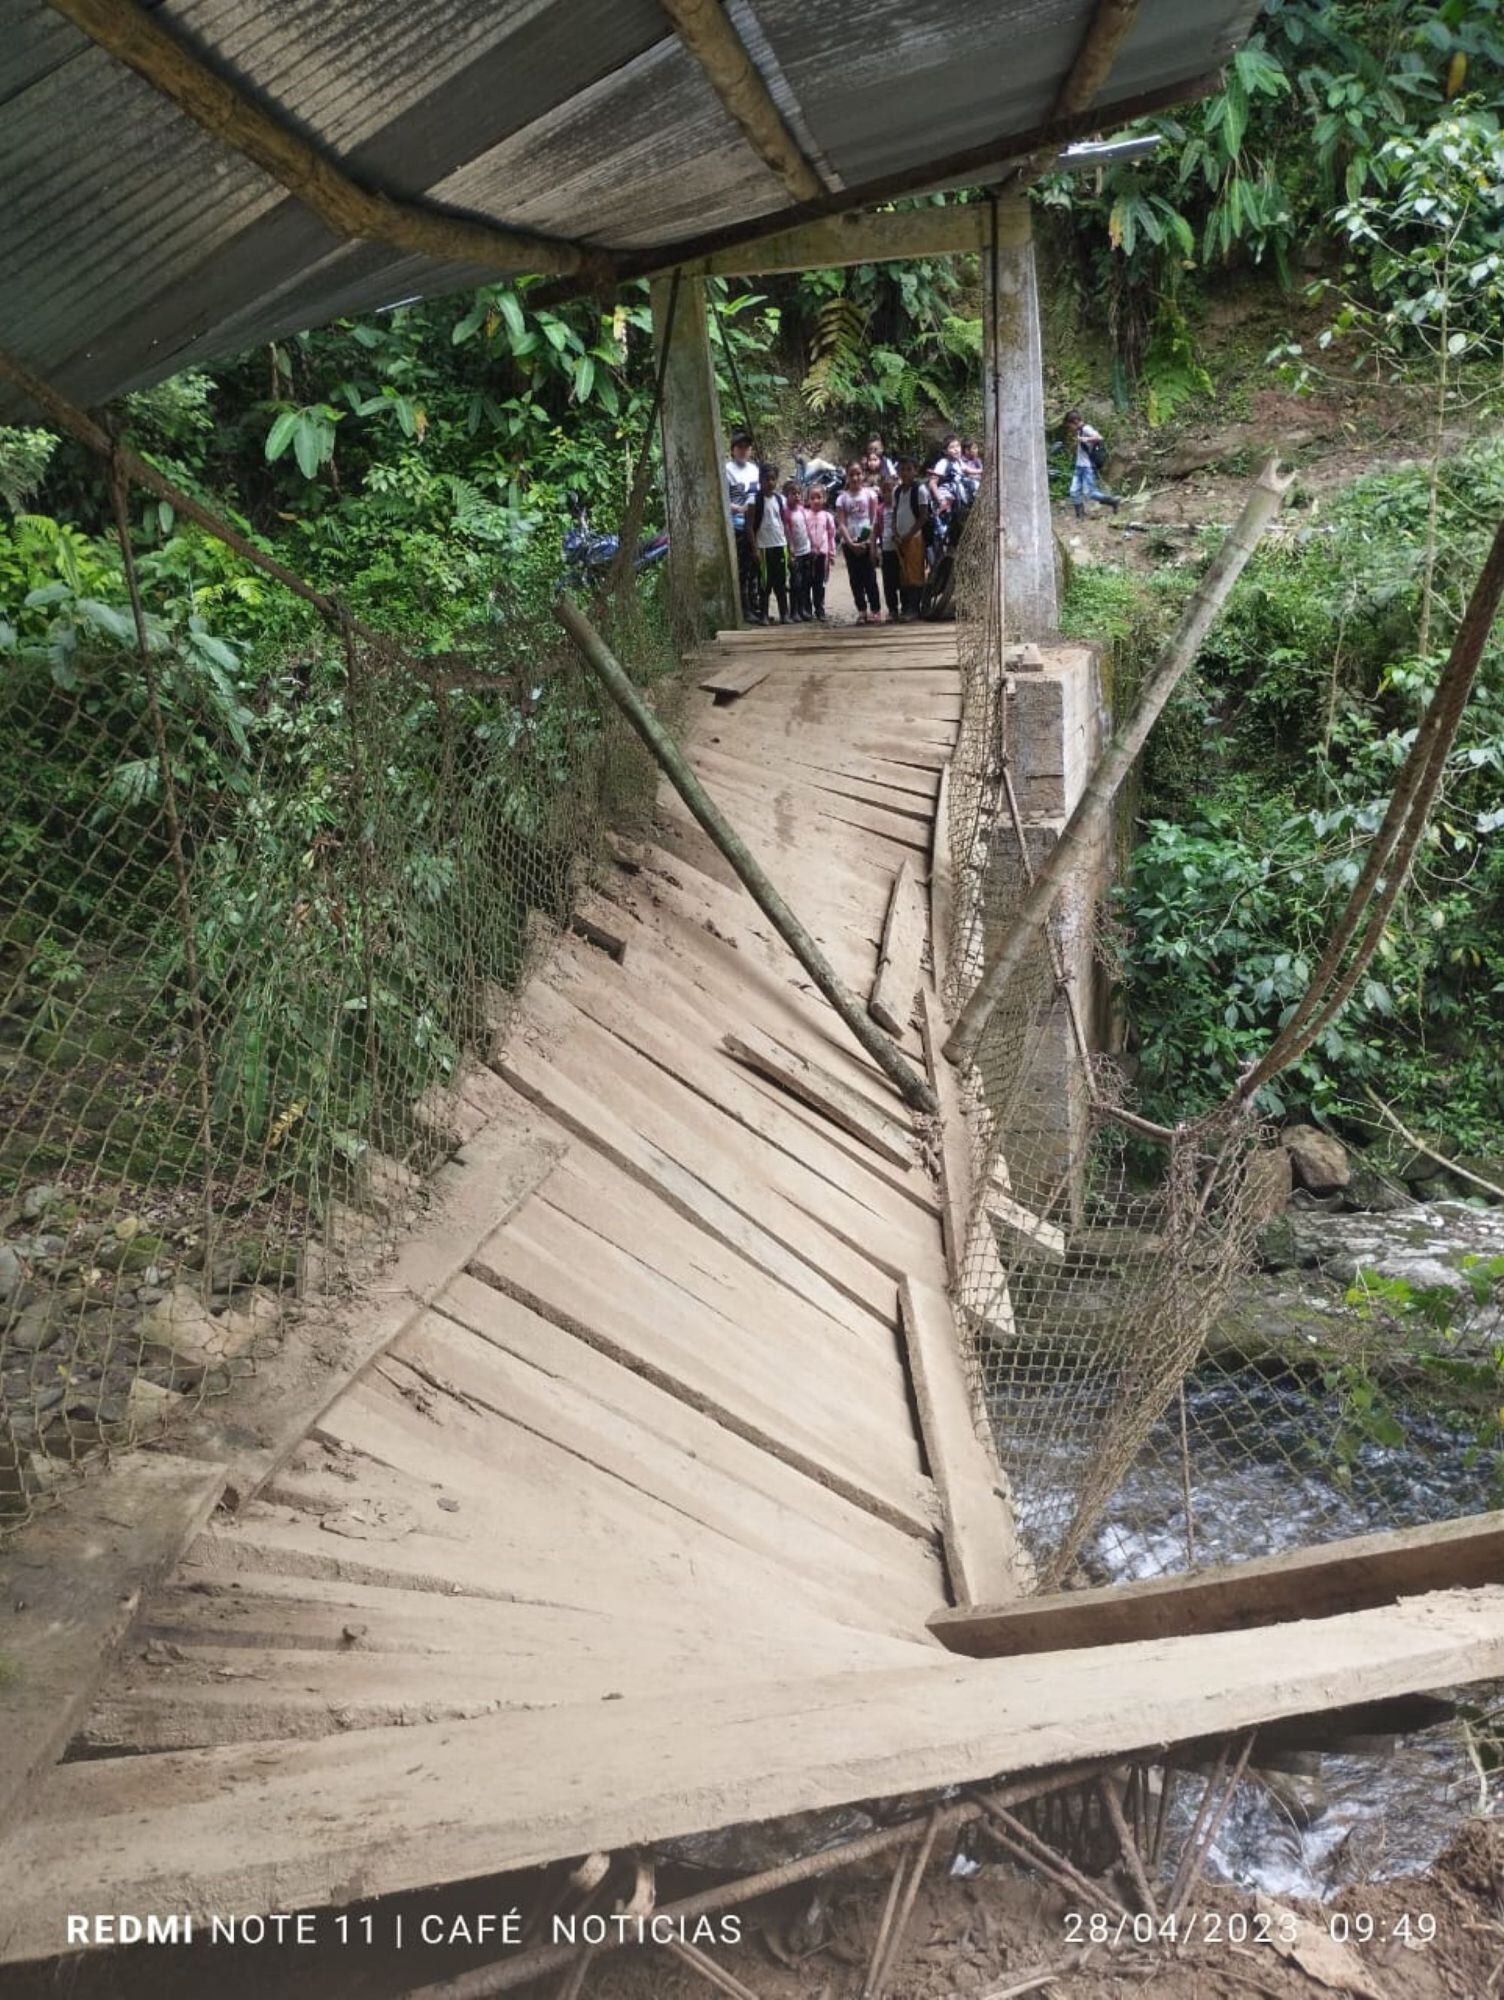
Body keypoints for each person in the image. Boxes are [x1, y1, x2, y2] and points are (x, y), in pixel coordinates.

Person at [835, 460, 881, 624]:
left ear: (863, 475)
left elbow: (874, 518)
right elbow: (841, 523)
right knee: (855, 578)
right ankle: (862, 610)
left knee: (870, 576)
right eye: (851, 474)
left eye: (858, 474)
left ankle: (875, 610)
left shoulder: (870, 494)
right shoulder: (842, 498)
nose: (855, 478)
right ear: (847, 476)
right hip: (850, 542)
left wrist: (870, 540)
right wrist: (850, 543)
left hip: (867, 540)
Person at [724, 429, 761, 620]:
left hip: (754, 525)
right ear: (732, 450)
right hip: (737, 525)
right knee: (742, 569)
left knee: (755, 567)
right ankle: (744, 608)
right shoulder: (726, 470)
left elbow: (758, 495)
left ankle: (755, 605)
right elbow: (721, 498)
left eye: (747, 447)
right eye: (740, 447)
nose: (744, 450)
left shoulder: (754, 469)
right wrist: (738, 508)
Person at [891, 456, 931, 619]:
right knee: (903, 574)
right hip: (900, 538)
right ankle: (906, 607)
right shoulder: (897, 491)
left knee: (915, 573)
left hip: (914, 538)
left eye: (909, 469)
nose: (905, 473)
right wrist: (894, 531)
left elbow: (923, 516)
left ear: (915, 471)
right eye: (902, 469)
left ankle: (914, 609)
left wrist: (908, 535)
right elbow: (895, 513)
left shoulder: (920, 490)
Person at [1064, 410, 1121, 519]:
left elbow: (1099, 437)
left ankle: (1113, 501)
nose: (1069, 428)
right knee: (1073, 490)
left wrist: (1084, 439)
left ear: (1075, 421)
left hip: (1087, 467)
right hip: (1079, 465)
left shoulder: (1086, 429)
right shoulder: (1079, 430)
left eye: (1069, 425)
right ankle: (1080, 516)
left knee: (1090, 493)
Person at [751, 461, 789, 623]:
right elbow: (749, 527)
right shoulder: (755, 501)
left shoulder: (780, 500)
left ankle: (784, 614)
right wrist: (754, 549)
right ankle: (764, 614)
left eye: (773, 479)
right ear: (760, 480)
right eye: (767, 479)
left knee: (781, 581)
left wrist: (789, 545)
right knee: (765, 583)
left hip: (780, 545)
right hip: (764, 547)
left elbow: (783, 523)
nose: (770, 483)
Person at [783, 479, 813, 621]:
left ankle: (803, 609)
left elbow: (806, 528)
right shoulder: (786, 513)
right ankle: (793, 611)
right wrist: (790, 551)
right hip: (795, 553)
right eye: (793, 493)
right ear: (786, 495)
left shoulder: (801, 509)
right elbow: (786, 532)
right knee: (796, 583)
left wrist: (811, 544)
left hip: (806, 549)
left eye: (798, 493)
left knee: (805, 582)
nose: (796, 496)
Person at [805, 483, 835, 621]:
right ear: (808, 500)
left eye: (819, 497)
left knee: (819, 583)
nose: (816, 501)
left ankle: (820, 609)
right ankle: (807, 609)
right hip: (807, 554)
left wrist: (831, 553)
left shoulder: (827, 516)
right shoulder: (805, 515)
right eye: (812, 498)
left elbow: (831, 535)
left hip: (822, 555)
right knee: (807, 582)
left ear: (824, 499)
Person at [876, 475, 901, 623]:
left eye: (890, 490)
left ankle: (905, 607)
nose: (887, 494)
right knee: (888, 581)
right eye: (884, 491)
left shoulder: (900, 507)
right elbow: (877, 528)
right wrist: (876, 548)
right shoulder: (880, 510)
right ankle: (892, 609)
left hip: (900, 547)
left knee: (903, 579)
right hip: (887, 548)